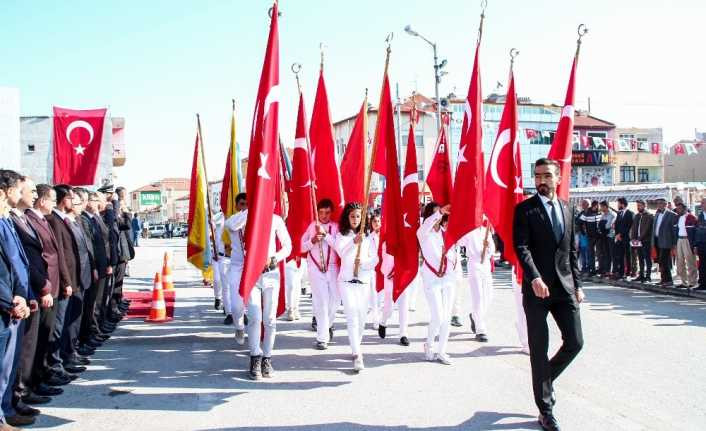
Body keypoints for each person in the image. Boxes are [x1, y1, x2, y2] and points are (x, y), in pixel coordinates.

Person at [513, 158, 584, 431]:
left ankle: (545, 380)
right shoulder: (525, 210)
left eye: (547, 176)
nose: (541, 180)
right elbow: (522, 248)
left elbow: (572, 252)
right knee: (539, 351)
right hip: (537, 290)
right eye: (537, 175)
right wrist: (535, 277)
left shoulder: (568, 209)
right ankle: (546, 410)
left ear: (558, 178)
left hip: (564, 288)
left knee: (575, 342)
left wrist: (578, 285)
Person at [225, 205, 291, 380]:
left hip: (270, 274)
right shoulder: (243, 218)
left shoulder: (275, 220)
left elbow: (288, 246)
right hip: (251, 275)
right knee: (255, 316)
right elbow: (230, 225)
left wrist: (275, 258)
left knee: (269, 319)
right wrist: (251, 211)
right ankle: (255, 356)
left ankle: (267, 358)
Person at [0, 170, 34, 428]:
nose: (21, 193)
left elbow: (18, 264)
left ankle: (7, 411)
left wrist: (25, 295)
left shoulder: (7, 220)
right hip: (6, 306)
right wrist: (11, 300)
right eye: (18, 189)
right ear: (5, 191)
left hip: (15, 303)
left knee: (8, 367)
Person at [334, 202, 378, 372]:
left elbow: (375, 259)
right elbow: (341, 252)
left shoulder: (368, 237)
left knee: (361, 317)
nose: (355, 219)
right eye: (352, 216)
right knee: (351, 314)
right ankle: (357, 353)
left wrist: (364, 263)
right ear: (347, 217)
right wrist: (354, 242)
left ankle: (356, 344)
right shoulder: (342, 236)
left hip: (363, 281)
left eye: (358, 216)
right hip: (346, 281)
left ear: (362, 218)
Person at [417, 202, 459, 365]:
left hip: (448, 278)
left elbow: (454, 254)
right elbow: (426, 226)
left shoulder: (446, 233)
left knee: (447, 316)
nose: (438, 218)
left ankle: (441, 350)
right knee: (438, 316)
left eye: (440, 216)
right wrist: (439, 211)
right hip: (432, 278)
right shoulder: (423, 233)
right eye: (435, 215)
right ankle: (429, 344)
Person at [301, 199, 339, 350]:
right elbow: (301, 247)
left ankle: (328, 324)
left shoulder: (336, 227)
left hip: (333, 268)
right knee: (321, 302)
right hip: (315, 268)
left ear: (332, 212)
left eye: (327, 212)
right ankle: (322, 337)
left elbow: (339, 246)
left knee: (335, 300)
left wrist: (326, 237)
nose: (324, 216)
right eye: (321, 212)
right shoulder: (312, 226)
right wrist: (312, 240)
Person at [458, 220, 495, 343]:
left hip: (485, 264)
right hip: (474, 264)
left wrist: (488, 245)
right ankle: (480, 329)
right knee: (478, 296)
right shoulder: (469, 231)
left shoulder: (486, 231)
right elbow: (459, 241)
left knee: (488, 296)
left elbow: (493, 250)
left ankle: (474, 316)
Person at [223, 193, 248, 345]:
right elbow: (233, 226)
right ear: (237, 205)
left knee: (255, 306)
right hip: (237, 266)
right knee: (236, 305)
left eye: (247, 204)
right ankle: (239, 327)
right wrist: (248, 212)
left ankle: (256, 337)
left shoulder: (255, 220)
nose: (244, 207)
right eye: (242, 204)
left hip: (253, 266)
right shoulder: (232, 220)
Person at [653, 198, 678, 286]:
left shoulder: (672, 215)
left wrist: (674, 244)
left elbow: (674, 230)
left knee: (664, 261)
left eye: (661, 203)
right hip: (657, 240)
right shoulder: (657, 214)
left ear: (665, 204)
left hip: (666, 241)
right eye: (658, 203)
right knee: (660, 261)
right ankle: (663, 279)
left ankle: (669, 280)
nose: (659, 205)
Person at [629, 199, 654, 283]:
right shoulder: (637, 216)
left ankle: (648, 276)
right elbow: (634, 228)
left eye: (640, 205)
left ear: (644, 205)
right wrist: (633, 239)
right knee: (640, 258)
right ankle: (641, 275)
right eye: (637, 206)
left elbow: (646, 229)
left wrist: (639, 238)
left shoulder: (649, 216)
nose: (638, 207)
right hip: (638, 241)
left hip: (646, 240)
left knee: (647, 258)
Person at [674, 202, 698, 288]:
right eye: (677, 209)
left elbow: (695, 232)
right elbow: (675, 230)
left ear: (684, 208)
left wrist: (695, 245)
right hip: (679, 240)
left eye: (680, 208)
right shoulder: (677, 218)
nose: (678, 210)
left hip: (688, 240)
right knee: (680, 262)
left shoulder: (692, 217)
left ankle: (693, 282)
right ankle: (684, 282)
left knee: (690, 261)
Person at [612, 197, 633, 280]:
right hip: (619, 238)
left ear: (622, 204)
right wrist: (617, 234)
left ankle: (628, 272)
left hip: (626, 238)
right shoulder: (619, 213)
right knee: (620, 255)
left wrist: (621, 234)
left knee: (628, 256)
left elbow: (629, 226)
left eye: (618, 203)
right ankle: (621, 272)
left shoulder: (629, 213)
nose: (618, 205)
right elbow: (617, 225)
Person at [597, 201, 615, 277]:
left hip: (611, 236)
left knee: (612, 254)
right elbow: (599, 225)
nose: (600, 208)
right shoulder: (603, 215)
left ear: (605, 206)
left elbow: (608, 226)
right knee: (605, 254)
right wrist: (602, 225)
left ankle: (612, 271)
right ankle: (606, 270)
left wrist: (603, 225)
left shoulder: (613, 214)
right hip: (604, 236)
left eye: (601, 206)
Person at [694, 198, 706, 291]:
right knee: (702, 265)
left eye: (703, 203)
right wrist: (696, 245)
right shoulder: (700, 216)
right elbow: (697, 231)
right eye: (701, 203)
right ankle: (702, 283)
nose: (701, 205)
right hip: (701, 244)